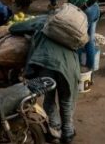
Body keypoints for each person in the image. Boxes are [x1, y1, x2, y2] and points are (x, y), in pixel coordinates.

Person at [14, 14, 80, 144]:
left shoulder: (44, 20)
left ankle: (55, 131)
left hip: (48, 63)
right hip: (69, 66)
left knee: (49, 99)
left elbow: (15, 28)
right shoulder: (68, 25)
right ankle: (68, 133)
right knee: (66, 100)